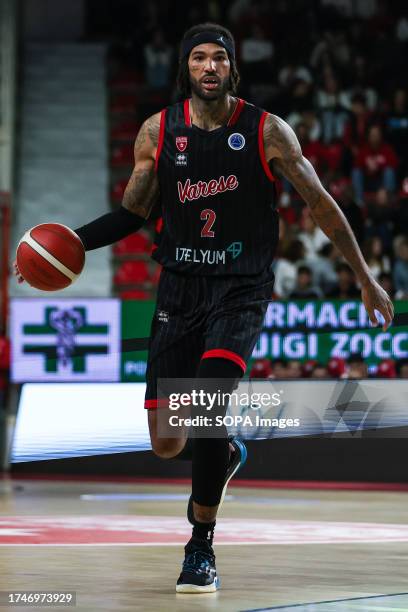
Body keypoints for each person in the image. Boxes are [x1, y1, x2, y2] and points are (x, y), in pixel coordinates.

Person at [14, 22, 394, 594]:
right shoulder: (157, 131)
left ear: (232, 68)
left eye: (219, 58)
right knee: (167, 440)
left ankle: (200, 546)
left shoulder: (268, 132)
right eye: (198, 59)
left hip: (240, 289)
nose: (209, 67)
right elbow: (134, 213)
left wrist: (364, 277)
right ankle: (228, 450)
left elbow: (321, 203)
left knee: (207, 409)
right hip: (180, 289)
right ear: (185, 68)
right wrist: (69, 243)